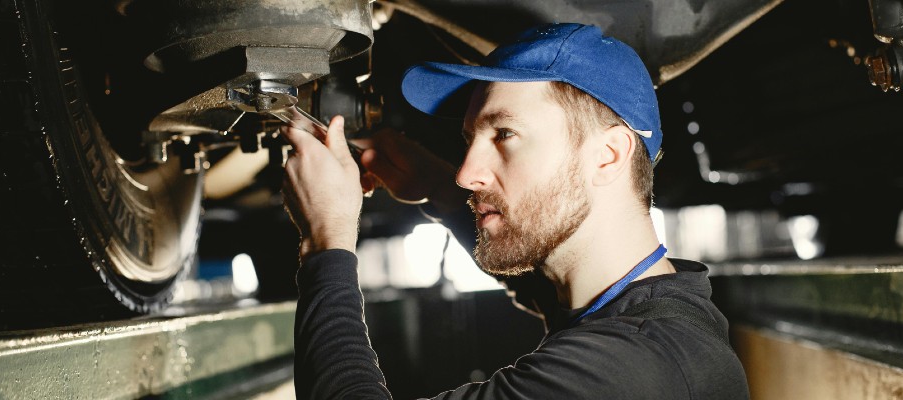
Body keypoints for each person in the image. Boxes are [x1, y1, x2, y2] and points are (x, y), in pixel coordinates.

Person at [281, 23, 749, 399]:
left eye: (504, 134)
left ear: (607, 155)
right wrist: (433, 188)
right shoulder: (659, 310)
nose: (466, 173)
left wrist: (326, 238)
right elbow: (541, 290)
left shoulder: (631, 368)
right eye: (470, 140)